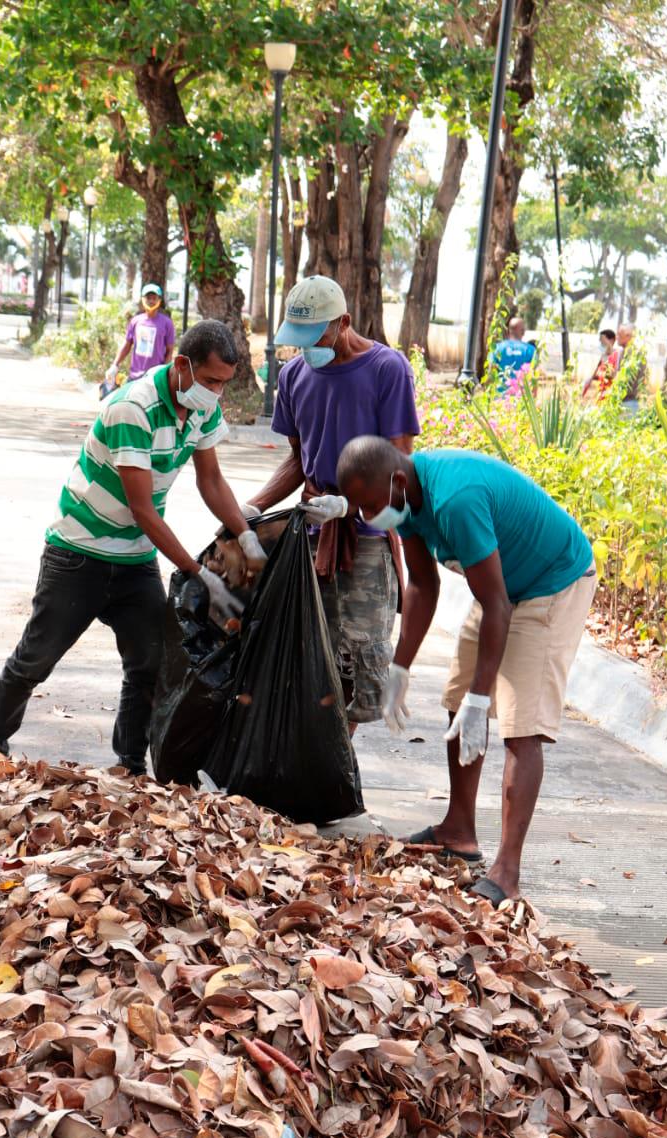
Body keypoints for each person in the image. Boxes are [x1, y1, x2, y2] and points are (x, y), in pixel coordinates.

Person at [0, 320, 266, 773]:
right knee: (36, 658)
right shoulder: (133, 407)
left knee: (149, 662)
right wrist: (198, 572)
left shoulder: (203, 409)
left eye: (225, 384)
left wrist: (246, 535)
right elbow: (143, 509)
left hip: (134, 560)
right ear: (181, 364)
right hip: (78, 553)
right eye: (211, 381)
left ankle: (129, 764)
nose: (217, 394)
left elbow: (210, 479)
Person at [336, 437, 597, 905]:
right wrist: (401, 667)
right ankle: (459, 830)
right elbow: (422, 583)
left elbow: (496, 605)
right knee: (458, 703)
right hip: (502, 588)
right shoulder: (405, 500)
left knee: (521, 727)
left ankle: (507, 872)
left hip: (551, 583)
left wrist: (485, 699)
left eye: (370, 505)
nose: (367, 517)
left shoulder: (456, 499)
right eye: (359, 509)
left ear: (396, 482)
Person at [242, 275, 420, 730]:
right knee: (310, 655)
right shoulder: (295, 375)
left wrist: (350, 507)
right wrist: (255, 505)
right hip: (310, 535)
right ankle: (317, 762)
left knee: (361, 661)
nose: (305, 347)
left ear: (342, 322)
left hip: (365, 536)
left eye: (314, 335)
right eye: (296, 338)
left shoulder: (387, 369)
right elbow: (299, 461)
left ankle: (336, 763)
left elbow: (400, 466)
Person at [108, 283, 176, 386]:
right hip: (135, 377)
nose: (151, 301)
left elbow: (170, 350)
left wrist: (164, 373)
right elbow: (127, 345)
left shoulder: (167, 323)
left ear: (159, 300)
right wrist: (114, 365)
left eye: (154, 298)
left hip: (155, 379)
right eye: (148, 298)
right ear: (143, 299)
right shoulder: (135, 321)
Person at [491, 316, 536, 390]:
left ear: (508, 330)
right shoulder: (531, 350)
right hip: (522, 398)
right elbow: (534, 377)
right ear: (523, 332)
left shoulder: (497, 348)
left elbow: (490, 373)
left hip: (499, 398)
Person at [615, 323, 646, 415]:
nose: (617, 337)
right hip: (621, 402)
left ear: (628, 336)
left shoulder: (635, 354)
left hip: (629, 403)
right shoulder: (622, 352)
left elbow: (627, 381)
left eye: (619, 334)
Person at [582, 328, 618, 401]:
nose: (601, 344)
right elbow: (596, 374)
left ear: (611, 341)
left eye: (603, 341)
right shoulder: (603, 356)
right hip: (601, 393)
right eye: (600, 341)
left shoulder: (617, 356)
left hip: (611, 394)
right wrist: (589, 380)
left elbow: (614, 376)